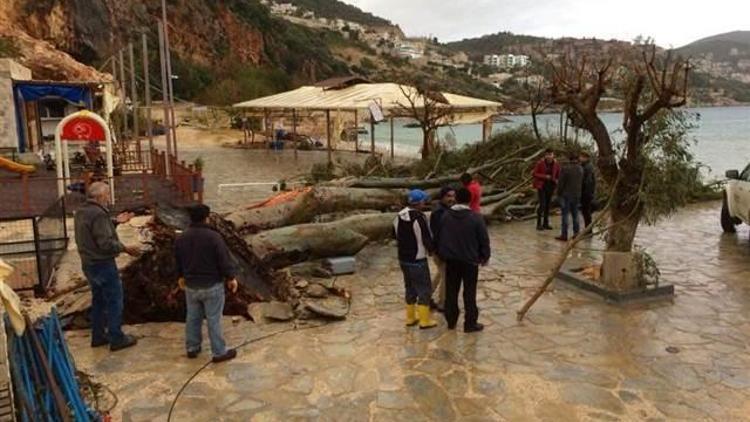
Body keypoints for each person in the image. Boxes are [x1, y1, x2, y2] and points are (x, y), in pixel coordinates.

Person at [74, 182, 140, 351]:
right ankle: (116, 337)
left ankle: (98, 336)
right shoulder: (99, 214)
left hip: (88, 264)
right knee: (114, 300)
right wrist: (126, 248)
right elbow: (105, 243)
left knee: (98, 300)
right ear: (100, 197)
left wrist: (116, 222)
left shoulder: (82, 211)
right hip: (102, 264)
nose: (109, 198)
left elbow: (95, 229)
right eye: (107, 195)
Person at [175, 204, 239, 363]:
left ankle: (192, 347)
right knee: (213, 319)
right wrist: (231, 277)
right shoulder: (213, 237)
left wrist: (180, 276)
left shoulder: (182, 237)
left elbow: (177, 260)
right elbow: (223, 260)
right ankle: (219, 352)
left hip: (191, 285)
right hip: (212, 285)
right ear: (207, 217)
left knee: (192, 318)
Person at [437, 187, 491, 333]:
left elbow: (441, 237)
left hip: (452, 260)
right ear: (470, 200)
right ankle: (470, 323)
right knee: (469, 293)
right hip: (470, 261)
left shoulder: (446, 216)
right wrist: (485, 256)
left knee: (451, 291)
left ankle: (451, 320)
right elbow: (483, 239)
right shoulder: (476, 218)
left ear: (456, 199)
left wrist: (443, 254)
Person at [394, 189, 438, 329]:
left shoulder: (398, 216)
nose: (424, 203)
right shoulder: (419, 217)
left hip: (403, 258)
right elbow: (426, 237)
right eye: (423, 201)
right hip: (417, 259)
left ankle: (410, 317)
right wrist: (432, 250)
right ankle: (425, 320)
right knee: (424, 289)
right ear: (419, 202)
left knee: (409, 287)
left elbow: (394, 235)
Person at [429, 186, 456, 312]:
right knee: (446, 277)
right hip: (441, 250)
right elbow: (439, 234)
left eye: (453, 196)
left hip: (443, 249)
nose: (452, 198)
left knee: (440, 274)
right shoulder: (439, 212)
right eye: (449, 196)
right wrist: (442, 252)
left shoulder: (444, 209)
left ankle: (426, 296)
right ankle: (442, 303)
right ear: (442, 197)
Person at [555, 153, 584, 241]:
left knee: (565, 215)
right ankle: (576, 233)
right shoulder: (580, 169)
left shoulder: (565, 169)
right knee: (575, 215)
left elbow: (561, 183)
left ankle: (564, 235)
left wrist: (558, 193)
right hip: (577, 195)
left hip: (566, 195)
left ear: (569, 159)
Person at [533, 148, 561, 231]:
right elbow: (534, 173)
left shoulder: (556, 164)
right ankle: (539, 224)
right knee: (542, 205)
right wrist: (545, 176)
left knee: (548, 205)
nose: (549, 156)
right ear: (545, 155)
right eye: (547, 155)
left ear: (553, 155)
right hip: (542, 186)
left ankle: (545, 223)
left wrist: (556, 180)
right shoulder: (540, 163)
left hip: (551, 186)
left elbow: (559, 174)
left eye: (551, 154)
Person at [580, 152, 597, 228]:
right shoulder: (585, 166)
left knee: (586, 211)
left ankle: (588, 229)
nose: (580, 158)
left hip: (586, 193)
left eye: (581, 157)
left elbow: (588, 181)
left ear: (585, 158)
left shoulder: (588, 167)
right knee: (586, 211)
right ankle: (588, 228)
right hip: (587, 192)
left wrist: (586, 193)